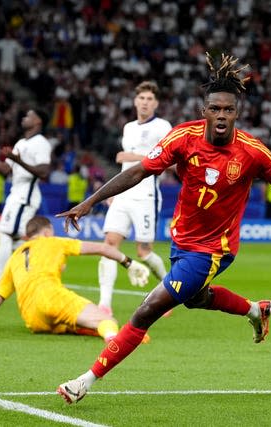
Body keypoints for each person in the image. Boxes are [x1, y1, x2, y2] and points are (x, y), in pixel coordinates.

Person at [55, 53, 271, 404]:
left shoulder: (253, 152)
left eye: (228, 110)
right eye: (215, 109)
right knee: (196, 299)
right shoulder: (183, 138)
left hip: (214, 250)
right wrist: (91, 201)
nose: (221, 116)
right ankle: (255, 310)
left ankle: (84, 381)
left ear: (238, 113)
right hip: (183, 241)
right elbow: (138, 171)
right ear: (204, 110)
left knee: (146, 311)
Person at [0, 216, 150, 342]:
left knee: (75, 323)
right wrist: (128, 263)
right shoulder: (53, 241)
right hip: (52, 297)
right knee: (107, 321)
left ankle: (93, 329)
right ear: (46, 232)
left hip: (33, 319)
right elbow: (104, 248)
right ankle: (114, 341)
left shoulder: (15, 256)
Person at [98, 81, 172, 316]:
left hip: (146, 195)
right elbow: (125, 168)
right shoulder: (128, 127)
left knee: (144, 252)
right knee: (109, 245)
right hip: (124, 195)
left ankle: (170, 292)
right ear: (135, 101)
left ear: (156, 103)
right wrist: (114, 192)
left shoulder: (163, 126)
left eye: (150, 99)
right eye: (142, 99)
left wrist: (132, 156)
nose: (145, 103)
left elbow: (168, 159)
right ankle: (104, 305)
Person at [0, 109, 52, 296]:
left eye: (29, 115)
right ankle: (29, 278)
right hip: (16, 193)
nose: (24, 117)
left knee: (6, 234)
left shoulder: (41, 143)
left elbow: (44, 172)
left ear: (38, 122)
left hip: (25, 195)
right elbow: (5, 169)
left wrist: (18, 161)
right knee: (15, 238)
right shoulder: (21, 143)